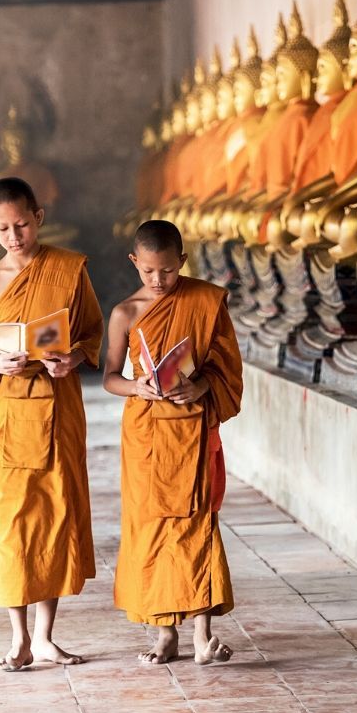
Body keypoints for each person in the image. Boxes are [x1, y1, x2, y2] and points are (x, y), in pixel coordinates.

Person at [0, 177, 103, 671]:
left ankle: (45, 638)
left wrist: (72, 358)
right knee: (14, 525)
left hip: (59, 406)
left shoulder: (68, 270)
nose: (14, 236)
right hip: (8, 416)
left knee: (54, 518)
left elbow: (91, 333)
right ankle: (18, 638)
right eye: (2, 228)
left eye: (21, 224)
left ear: (39, 216)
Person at [103, 220, 243, 664]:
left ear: (182, 261)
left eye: (167, 270)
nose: (159, 281)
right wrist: (137, 387)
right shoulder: (125, 313)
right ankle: (165, 633)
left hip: (191, 428)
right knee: (150, 529)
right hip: (145, 433)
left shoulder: (205, 301)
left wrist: (200, 387)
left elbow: (227, 369)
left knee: (195, 523)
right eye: (148, 272)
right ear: (134, 263)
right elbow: (109, 378)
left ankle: (202, 636)